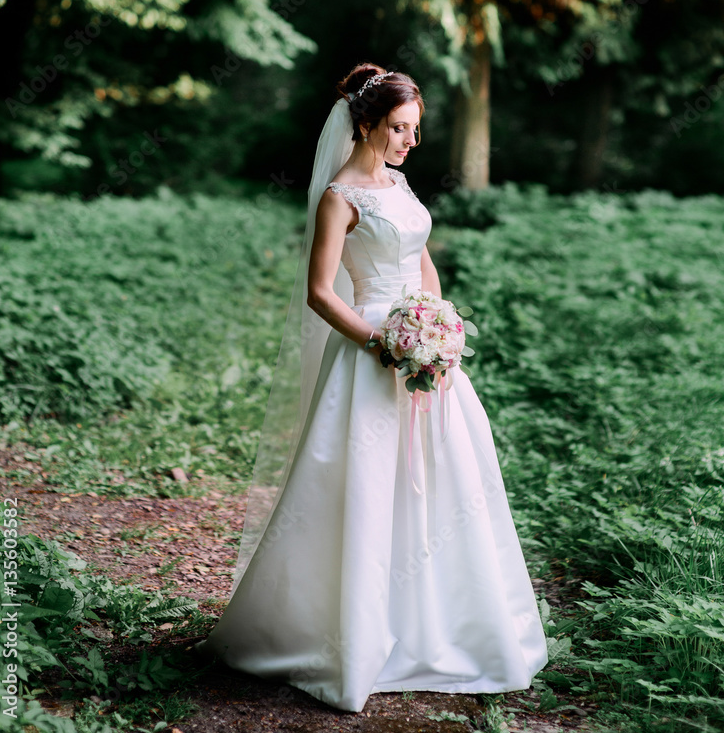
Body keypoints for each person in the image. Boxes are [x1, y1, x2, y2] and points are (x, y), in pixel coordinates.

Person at [195, 64, 549, 712]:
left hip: (425, 357)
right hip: (369, 355)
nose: (410, 141)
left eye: (415, 129)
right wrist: (380, 344)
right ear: (364, 124)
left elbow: (422, 262)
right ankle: (344, 633)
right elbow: (320, 293)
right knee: (360, 486)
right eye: (398, 128)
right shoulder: (340, 197)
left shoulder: (401, 184)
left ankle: (440, 624)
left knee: (446, 482)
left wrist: (439, 330)